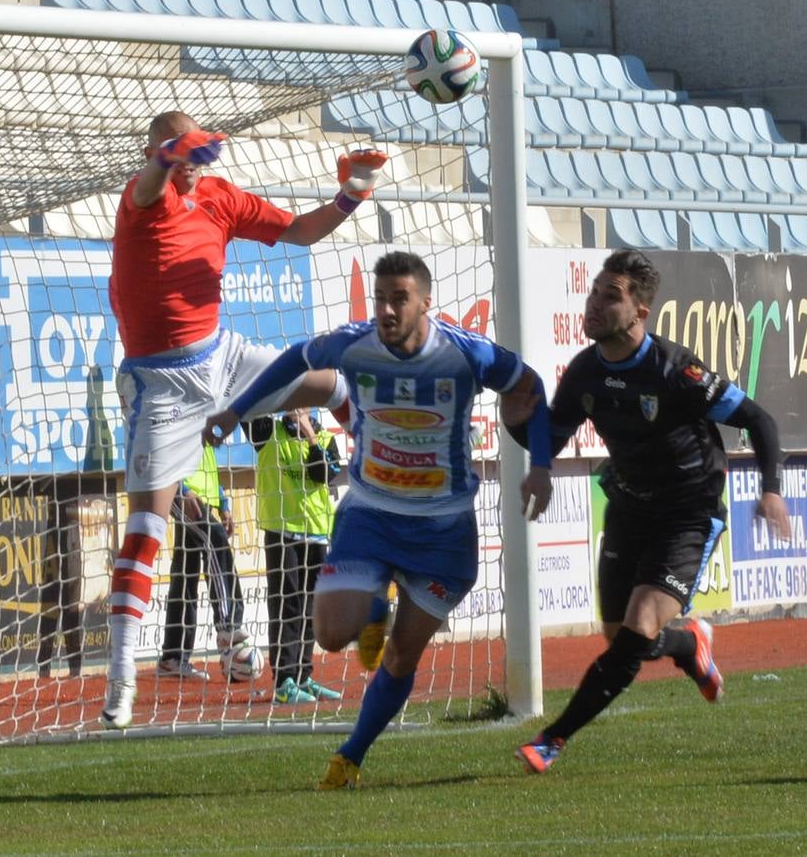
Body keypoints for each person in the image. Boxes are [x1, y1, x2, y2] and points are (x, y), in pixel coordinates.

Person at [207, 251, 555, 789]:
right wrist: (238, 410)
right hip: (370, 515)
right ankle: (375, 603)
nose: (388, 310)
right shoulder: (354, 343)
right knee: (328, 634)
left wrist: (541, 465)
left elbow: (529, 387)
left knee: (400, 655)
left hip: (444, 531)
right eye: (381, 298)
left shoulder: (466, 354)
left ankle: (350, 758)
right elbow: (298, 358)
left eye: (400, 298)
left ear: (425, 302)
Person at [102, 110, 388, 729]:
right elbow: (149, 181)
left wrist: (353, 191)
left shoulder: (221, 198)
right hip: (162, 382)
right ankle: (121, 679)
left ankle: (373, 499)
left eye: (184, 154)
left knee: (335, 383)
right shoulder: (141, 198)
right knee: (149, 524)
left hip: (222, 358)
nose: (180, 165)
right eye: (167, 152)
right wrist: (167, 156)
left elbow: (303, 232)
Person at [508, 248, 791, 774]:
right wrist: (516, 423)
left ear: (641, 311)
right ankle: (688, 644)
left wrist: (770, 489)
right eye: (594, 291)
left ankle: (552, 739)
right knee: (621, 639)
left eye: (609, 296)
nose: (594, 304)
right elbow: (551, 432)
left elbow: (760, 420)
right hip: (629, 508)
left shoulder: (676, 370)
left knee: (637, 626)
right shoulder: (585, 372)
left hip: (688, 512)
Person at [248, 407, 343, 705]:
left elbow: (324, 474)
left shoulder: (325, 438)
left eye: (303, 401)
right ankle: (284, 680)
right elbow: (247, 408)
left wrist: (310, 436)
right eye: (291, 400)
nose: (296, 407)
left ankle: (303, 675)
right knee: (286, 603)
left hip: (315, 532)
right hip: (281, 532)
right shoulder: (267, 432)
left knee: (312, 607)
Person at [157, 441, 246, 680]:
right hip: (179, 491)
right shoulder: (180, 409)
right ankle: (228, 625)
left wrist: (223, 502)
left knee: (185, 574)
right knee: (215, 540)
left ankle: (172, 657)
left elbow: (207, 466)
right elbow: (164, 448)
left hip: (201, 497)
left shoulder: (203, 412)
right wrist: (182, 489)